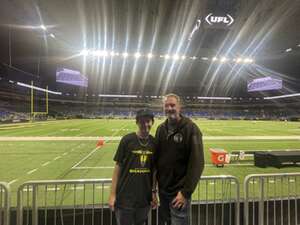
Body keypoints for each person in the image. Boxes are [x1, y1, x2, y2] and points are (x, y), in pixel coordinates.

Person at [154, 93, 205, 225]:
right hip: (163, 192)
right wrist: (154, 189)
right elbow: (156, 161)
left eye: (172, 105)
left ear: (179, 107)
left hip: (179, 194)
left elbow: (197, 163)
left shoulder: (191, 129)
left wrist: (185, 193)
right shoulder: (161, 129)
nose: (170, 108)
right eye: (167, 106)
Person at [108, 109, 157, 225]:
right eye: (141, 121)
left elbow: (154, 171)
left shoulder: (155, 143)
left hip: (144, 199)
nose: (145, 124)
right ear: (137, 122)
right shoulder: (127, 140)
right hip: (125, 199)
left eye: (148, 121)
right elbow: (118, 168)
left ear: (152, 122)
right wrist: (112, 194)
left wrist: (154, 193)